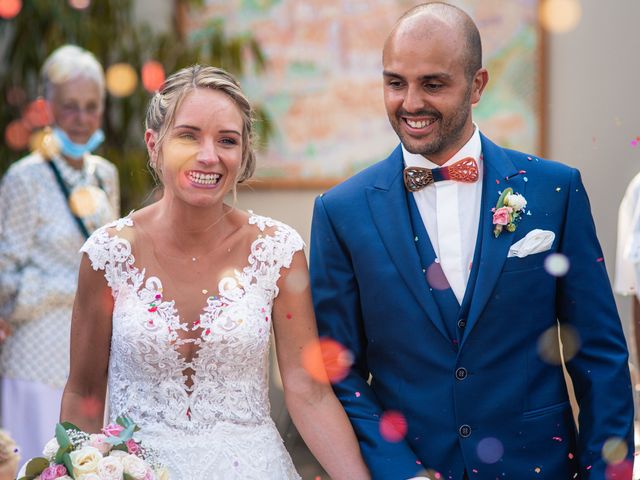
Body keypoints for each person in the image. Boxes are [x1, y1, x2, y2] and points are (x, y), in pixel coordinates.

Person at [309, 3, 634, 479]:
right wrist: (402, 472)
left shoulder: (553, 191)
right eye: (395, 82)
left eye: (433, 83)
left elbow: (600, 354)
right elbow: (338, 370)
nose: (411, 102)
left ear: (477, 84)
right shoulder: (341, 211)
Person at [60, 64, 370, 480]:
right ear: (154, 145)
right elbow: (84, 394)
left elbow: (307, 391)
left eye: (227, 140)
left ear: (242, 157)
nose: (209, 155)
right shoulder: (107, 254)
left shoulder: (277, 250)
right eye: (188, 135)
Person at [0, 45, 119, 461]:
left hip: (89, 354)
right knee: (31, 463)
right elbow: (4, 279)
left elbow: (114, 261)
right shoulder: (24, 179)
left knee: (86, 465)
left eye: (92, 106)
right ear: (48, 108)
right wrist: (71, 288)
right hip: (35, 356)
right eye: (70, 107)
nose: (82, 118)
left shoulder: (105, 175)